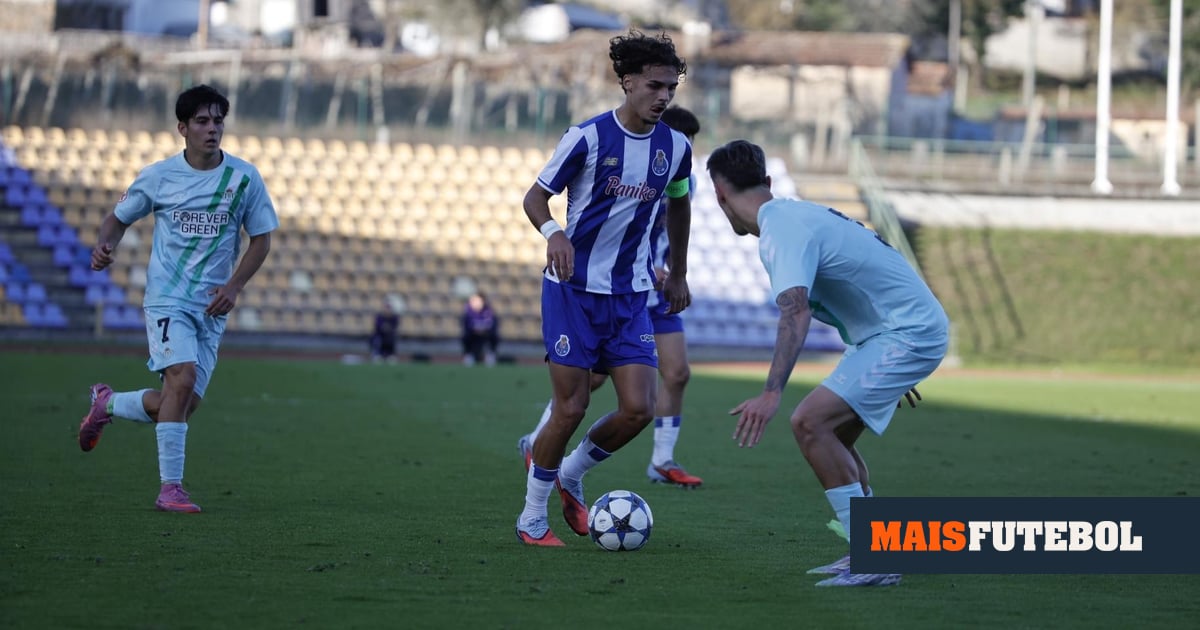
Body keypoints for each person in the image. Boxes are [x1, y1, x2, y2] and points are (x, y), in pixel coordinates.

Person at [706, 139, 948, 586]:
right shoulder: (794, 215)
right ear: (768, 182)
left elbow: (794, 309)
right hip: (892, 333)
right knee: (832, 433)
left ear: (719, 196)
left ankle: (872, 558)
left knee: (809, 423)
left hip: (902, 333)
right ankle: (873, 550)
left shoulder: (780, 229)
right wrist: (889, 363)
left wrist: (771, 393)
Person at [515, 30, 693, 546]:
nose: (663, 96)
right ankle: (531, 517)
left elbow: (680, 203)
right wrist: (555, 234)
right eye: (655, 85)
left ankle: (571, 472)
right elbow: (534, 199)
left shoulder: (676, 148)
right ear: (627, 81)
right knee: (570, 409)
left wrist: (677, 271)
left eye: (671, 89)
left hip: (631, 295)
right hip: (571, 292)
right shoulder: (587, 138)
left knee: (639, 408)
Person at [77, 84, 278, 513]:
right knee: (181, 380)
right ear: (182, 128)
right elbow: (117, 218)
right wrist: (104, 246)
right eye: (203, 122)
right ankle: (171, 490)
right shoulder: (159, 176)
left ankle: (107, 403)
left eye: (218, 121)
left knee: (181, 406)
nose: (213, 129)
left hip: (213, 305)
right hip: (168, 298)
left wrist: (235, 285)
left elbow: (261, 241)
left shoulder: (244, 178)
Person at [461, 291, 499, 366]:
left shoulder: (488, 310)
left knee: (494, 336)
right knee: (465, 337)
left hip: (485, 333)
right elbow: (467, 324)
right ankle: (469, 355)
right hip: (473, 333)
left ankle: (491, 355)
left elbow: (490, 324)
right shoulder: (468, 310)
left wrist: (482, 329)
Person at [370, 298, 400, 364]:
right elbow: (378, 326)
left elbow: (394, 326)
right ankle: (377, 355)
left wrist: (387, 328)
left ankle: (391, 355)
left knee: (393, 338)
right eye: (386, 308)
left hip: (389, 336)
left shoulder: (394, 317)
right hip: (380, 335)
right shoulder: (379, 317)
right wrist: (384, 327)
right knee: (376, 339)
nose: (387, 310)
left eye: (389, 308)